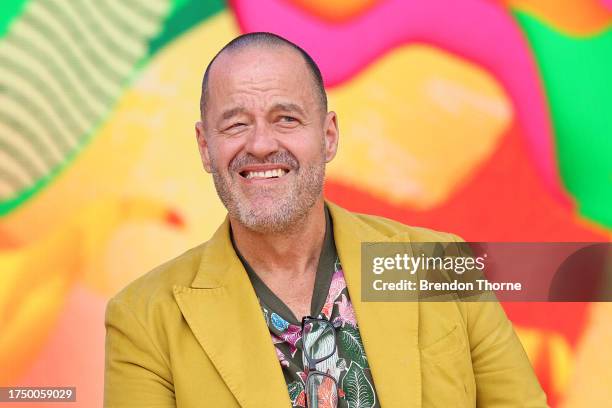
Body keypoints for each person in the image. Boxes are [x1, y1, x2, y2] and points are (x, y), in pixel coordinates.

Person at [104, 32, 547, 407]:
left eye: (287, 118)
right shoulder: (144, 320)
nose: (260, 145)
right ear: (204, 146)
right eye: (235, 124)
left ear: (328, 135)